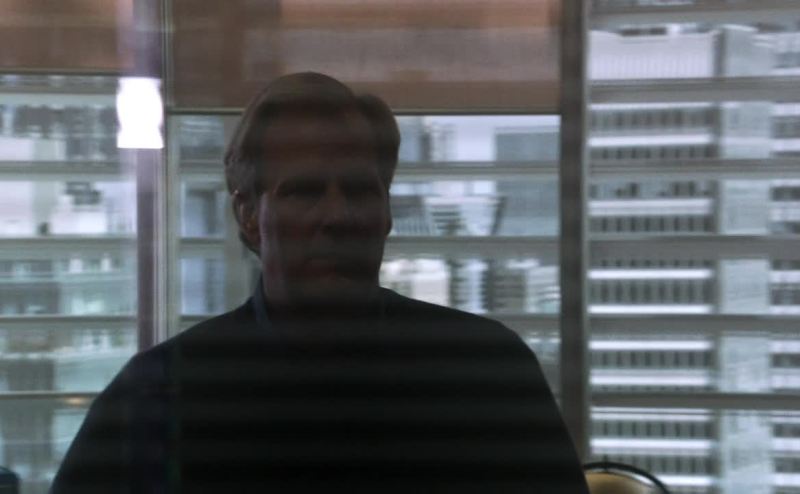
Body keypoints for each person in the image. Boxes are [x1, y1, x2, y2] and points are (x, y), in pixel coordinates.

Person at [51, 72, 589, 493]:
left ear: (386, 213)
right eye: (305, 191)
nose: (338, 216)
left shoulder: (487, 374)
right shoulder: (158, 398)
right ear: (248, 216)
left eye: (360, 190)